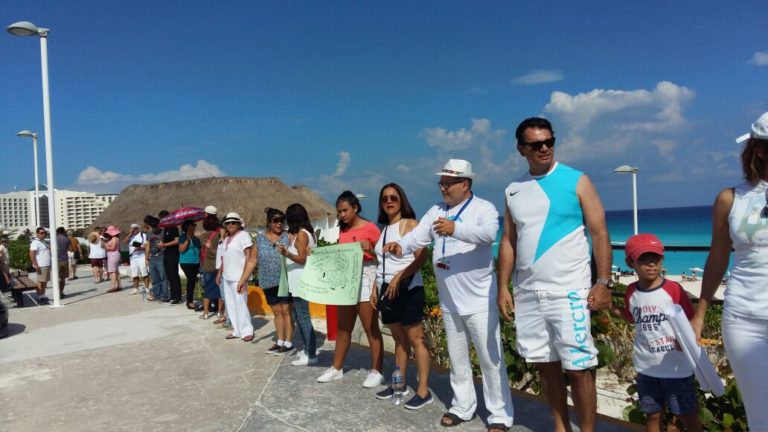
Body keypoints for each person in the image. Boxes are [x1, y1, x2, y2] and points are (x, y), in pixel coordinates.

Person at [497, 117, 612, 432]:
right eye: (536, 144)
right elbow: (509, 240)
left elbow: (599, 233)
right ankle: (561, 427)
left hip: (569, 291)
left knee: (579, 368)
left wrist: (602, 282)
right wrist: (503, 287)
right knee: (546, 367)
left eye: (549, 141)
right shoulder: (513, 190)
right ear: (522, 149)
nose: (544, 148)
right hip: (528, 292)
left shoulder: (577, 180)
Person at [384, 160, 514, 430]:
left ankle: (499, 415)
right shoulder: (435, 211)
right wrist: (400, 245)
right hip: (449, 301)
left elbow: (490, 234)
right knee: (457, 359)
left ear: (464, 184)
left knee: (490, 359)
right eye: (441, 183)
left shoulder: (483, 208)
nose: (442, 188)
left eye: (448, 183)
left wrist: (457, 230)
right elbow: (418, 237)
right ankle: (462, 407)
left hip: (479, 300)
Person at [691, 111, 768, 430]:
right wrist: (700, 312)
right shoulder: (731, 198)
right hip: (745, 318)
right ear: (760, 150)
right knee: (761, 414)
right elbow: (718, 258)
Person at [610, 234, 702, 432]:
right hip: (647, 367)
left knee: (687, 414)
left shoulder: (674, 289)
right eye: (644, 258)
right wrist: (612, 307)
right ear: (629, 262)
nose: (651, 264)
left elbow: (690, 321)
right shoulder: (630, 291)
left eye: (656, 258)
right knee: (652, 414)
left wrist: (684, 339)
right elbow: (632, 316)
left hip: (676, 368)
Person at [371, 183, 432, 409]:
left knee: (416, 340)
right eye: (385, 198)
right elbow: (382, 262)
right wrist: (374, 287)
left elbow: (421, 257)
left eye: (393, 198)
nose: (389, 201)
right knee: (399, 340)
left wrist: (398, 277)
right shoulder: (384, 229)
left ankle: (424, 391)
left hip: (409, 289)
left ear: (401, 200)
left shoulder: (410, 225)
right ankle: (399, 384)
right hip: (387, 290)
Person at [317, 191, 385, 388]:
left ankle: (377, 370)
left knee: (370, 326)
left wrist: (371, 250)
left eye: (345, 210)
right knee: (343, 327)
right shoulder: (343, 231)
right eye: (339, 212)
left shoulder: (371, 228)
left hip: (366, 275)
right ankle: (336, 368)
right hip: (347, 277)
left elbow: (384, 258)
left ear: (355, 208)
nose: (342, 215)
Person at [276, 203, 318, 366]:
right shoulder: (309, 233)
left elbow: (302, 258)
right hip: (301, 281)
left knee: (303, 317)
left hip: (301, 281)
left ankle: (311, 353)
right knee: (300, 317)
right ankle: (308, 350)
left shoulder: (302, 234)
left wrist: (287, 253)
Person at [255, 208, 293, 354]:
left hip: (285, 280)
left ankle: (288, 343)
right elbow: (252, 260)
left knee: (286, 311)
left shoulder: (288, 236)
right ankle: (280, 341)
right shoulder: (259, 238)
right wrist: (243, 279)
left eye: (281, 221)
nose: (279, 223)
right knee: (277, 312)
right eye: (275, 221)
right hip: (267, 280)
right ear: (268, 222)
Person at [215, 212, 255, 342]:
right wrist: (220, 272)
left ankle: (247, 331)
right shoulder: (226, 239)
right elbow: (225, 258)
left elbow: (249, 257)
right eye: (228, 223)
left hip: (239, 277)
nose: (230, 224)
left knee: (241, 303)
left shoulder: (243, 236)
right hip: (227, 277)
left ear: (239, 224)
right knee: (231, 305)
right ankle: (237, 330)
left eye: (233, 222)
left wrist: (244, 278)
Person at [199, 206, 223, 319]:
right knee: (220, 288)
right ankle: (219, 312)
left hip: (208, 265)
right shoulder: (220, 234)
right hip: (219, 266)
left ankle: (206, 313)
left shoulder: (204, 236)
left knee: (207, 289)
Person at [158, 210, 182, 305]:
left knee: (174, 274)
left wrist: (164, 244)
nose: (161, 221)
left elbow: (177, 241)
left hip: (173, 253)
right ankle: (172, 295)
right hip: (166, 253)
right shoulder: (165, 229)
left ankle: (178, 297)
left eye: (162, 219)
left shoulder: (173, 228)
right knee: (169, 275)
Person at [144, 216, 168, 302]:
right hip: (152, 258)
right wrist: (146, 259)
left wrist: (164, 244)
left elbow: (168, 243)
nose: (154, 229)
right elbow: (147, 247)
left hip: (161, 257)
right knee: (154, 278)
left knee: (163, 277)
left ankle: (164, 295)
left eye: (156, 226)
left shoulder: (163, 232)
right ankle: (157, 295)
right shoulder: (149, 233)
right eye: (153, 227)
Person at [179, 219, 201, 310]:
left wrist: (199, 238)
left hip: (196, 262)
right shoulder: (182, 236)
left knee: (193, 280)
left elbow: (200, 249)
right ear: (188, 227)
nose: (195, 226)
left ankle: (191, 299)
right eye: (193, 225)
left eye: (195, 225)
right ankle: (189, 302)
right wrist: (187, 239)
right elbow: (181, 249)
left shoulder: (196, 237)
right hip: (186, 262)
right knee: (191, 279)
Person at [124, 223, 149, 296]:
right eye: (132, 228)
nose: (133, 230)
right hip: (132, 258)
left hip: (141, 256)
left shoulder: (143, 235)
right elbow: (124, 242)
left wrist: (139, 248)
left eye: (135, 228)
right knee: (134, 274)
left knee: (144, 273)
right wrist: (129, 234)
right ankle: (135, 289)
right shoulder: (131, 236)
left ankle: (147, 288)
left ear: (138, 228)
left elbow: (146, 246)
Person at [29, 227, 51, 305]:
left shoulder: (44, 242)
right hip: (41, 265)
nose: (43, 234)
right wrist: (35, 264)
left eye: (44, 233)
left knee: (44, 281)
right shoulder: (35, 242)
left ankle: (43, 295)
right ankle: (39, 297)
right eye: (41, 233)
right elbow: (31, 253)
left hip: (46, 264)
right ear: (37, 234)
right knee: (40, 282)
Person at [104, 225, 122, 293]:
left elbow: (113, 248)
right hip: (114, 255)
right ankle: (119, 285)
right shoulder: (115, 238)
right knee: (116, 271)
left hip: (113, 255)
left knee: (112, 271)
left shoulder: (114, 238)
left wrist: (105, 247)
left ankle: (113, 286)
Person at [55, 227, 69, 297]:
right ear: (63, 232)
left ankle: (57, 292)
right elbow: (70, 249)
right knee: (63, 278)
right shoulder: (67, 239)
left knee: (56, 278)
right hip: (64, 260)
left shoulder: (54, 239)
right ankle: (61, 292)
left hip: (56, 260)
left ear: (57, 232)